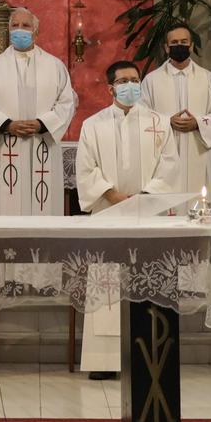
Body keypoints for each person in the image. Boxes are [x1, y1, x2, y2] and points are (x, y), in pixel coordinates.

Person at [75, 60, 175, 379]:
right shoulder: (94, 124)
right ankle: (104, 362)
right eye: (123, 81)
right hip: (108, 212)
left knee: (147, 283)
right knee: (105, 286)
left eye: (135, 80)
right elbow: (86, 168)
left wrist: (145, 196)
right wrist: (112, 195)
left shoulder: (160, 122)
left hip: (148, 214)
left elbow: (169, 166)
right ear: (111, 88)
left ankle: (147, 359)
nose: (130, 85)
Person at [0, 8, 77, 216]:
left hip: (43, 142)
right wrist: (7, 124)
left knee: (44, 203)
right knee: (7, 203)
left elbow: (67, 102)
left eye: (26, 26)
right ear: (8, 30)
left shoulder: (54, 65)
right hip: (6, 145)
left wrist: (42, 124)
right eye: (15, 26)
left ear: (36, 32)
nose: (20, 30)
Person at [140, 23, 211, 195]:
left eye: (183, 41)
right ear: (166, 47)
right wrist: (167, 122)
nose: (179, 46)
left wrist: (198, 123)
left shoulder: (208, 79)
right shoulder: (151, 81)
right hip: (163, 156)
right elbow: (141, 116)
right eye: (174, 43)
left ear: (191, 45)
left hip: (198, 153)